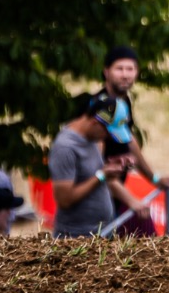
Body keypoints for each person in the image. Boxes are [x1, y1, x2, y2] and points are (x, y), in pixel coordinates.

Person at [71, 45, 169, 236]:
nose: (125, 75)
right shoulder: (100, 109)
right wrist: (131, 200)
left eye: (130, 69)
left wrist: (155, 178)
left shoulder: (123, 103)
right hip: (94, 202)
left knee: (147, 237)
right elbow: (96, 168)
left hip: (116, 197)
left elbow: (130, 140)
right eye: (119, 69)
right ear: (106, 72)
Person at [47, 99, 127, 238]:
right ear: (95, 123)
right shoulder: (65, 148)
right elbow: (65, 199)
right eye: (108, 133)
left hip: (102, 232)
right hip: (76, 238)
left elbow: (90, 173)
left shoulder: (92, 139)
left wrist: (111, 166)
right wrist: (101, 175)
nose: (108, 138)